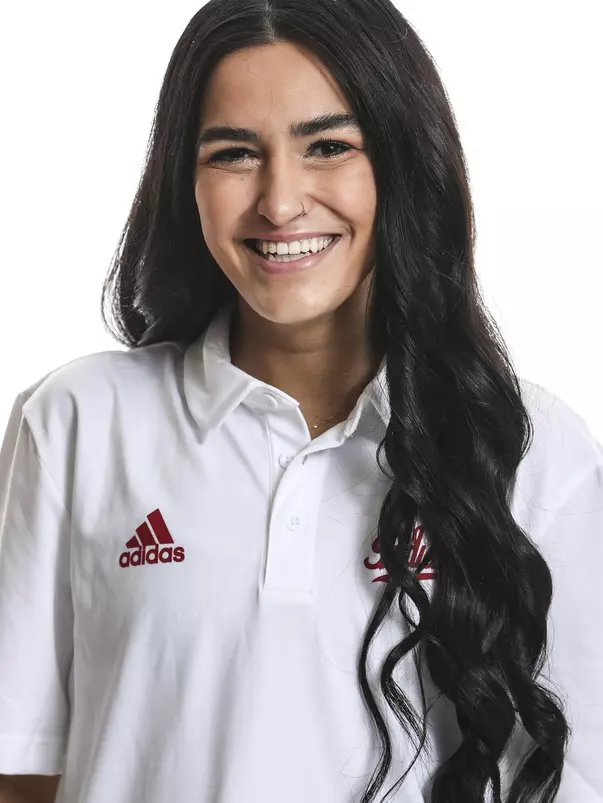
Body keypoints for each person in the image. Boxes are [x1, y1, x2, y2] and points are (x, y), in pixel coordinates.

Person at [0, 0, 601, 801]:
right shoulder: (77, 422)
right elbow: (21, 769)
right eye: (234, 154)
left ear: (401, 161)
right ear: (187, 182)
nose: (280, 202)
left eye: (327, 146)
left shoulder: (529, 447)